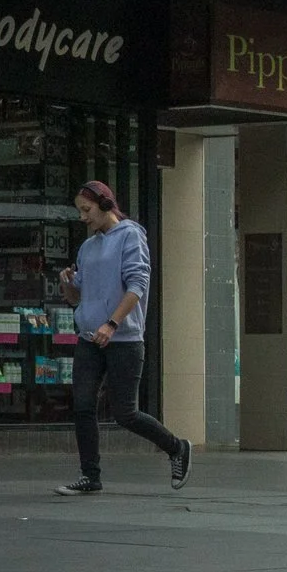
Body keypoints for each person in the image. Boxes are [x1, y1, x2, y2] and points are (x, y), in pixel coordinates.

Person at [54, 181, 191, 496]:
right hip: (90, 338)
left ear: (104, 205)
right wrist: (67, 285)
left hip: (123, 339)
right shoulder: (88, 247)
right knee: (83, 405)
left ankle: (177, 447)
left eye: (86, 210)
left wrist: (113, 323)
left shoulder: (130, 235)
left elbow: (137, 285)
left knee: (125, 413)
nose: (82, 218)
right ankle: (90, 476)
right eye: (79, 211)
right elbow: (77, 298)